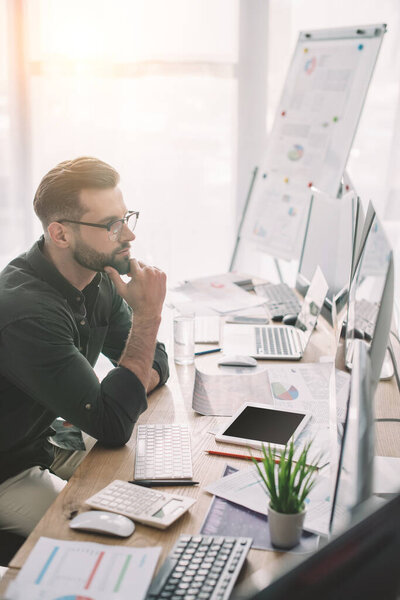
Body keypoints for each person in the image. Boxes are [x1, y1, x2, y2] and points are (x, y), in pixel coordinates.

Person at [0, 157, 169, 536]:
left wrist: (120, 396)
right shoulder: (27, 312)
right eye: (111, 225)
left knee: (156, 485)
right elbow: (112, 424)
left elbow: (157, 360)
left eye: (127, 218)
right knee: (111, 535)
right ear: (60, 235)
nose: (129, 235)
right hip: (5, 470)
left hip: (46, 438)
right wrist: (147, 318)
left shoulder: (98, 277)